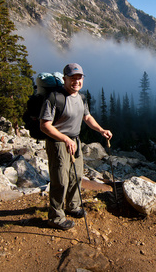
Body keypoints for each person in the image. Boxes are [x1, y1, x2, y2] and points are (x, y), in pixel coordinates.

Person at [39, 63, 112, 230]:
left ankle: (73, 206)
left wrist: (101, 130)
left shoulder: (82, 97)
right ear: (65, 79)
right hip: (58, 143)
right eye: (72, 78)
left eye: (79, 78)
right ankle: (56, 217)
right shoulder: (54, 98)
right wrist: (65, 139)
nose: (76, 82)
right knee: (60, 180)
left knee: (77, 176)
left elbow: (87, 117)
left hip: (75, 141)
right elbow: (44, 126)